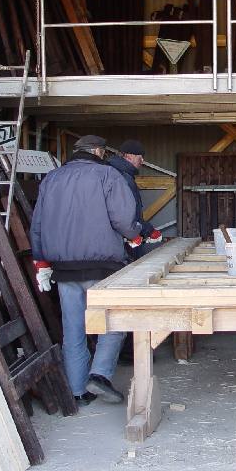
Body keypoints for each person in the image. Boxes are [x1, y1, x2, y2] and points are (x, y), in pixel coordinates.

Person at [30, 134, 144, 405]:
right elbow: (124, 220)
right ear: (96, 151)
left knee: (74, 330)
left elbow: (37, 224)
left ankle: (78, 392)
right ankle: (100, 375)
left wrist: (41, 261)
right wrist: (136, 234)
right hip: (102, 267)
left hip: (64, 269)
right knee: (113, 324)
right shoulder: (108, 176)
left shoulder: (52, 179)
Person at [106, 139, 163, 260]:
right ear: (129, 156)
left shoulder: (120, 173)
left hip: (123, 237)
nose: (143, 161)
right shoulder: (121, 177)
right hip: (120, 241)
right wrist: (147, 230)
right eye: (140, 157)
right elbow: (123, 213)